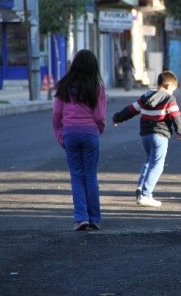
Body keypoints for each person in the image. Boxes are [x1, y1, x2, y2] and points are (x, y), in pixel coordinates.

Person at [112, 71, 181, 207]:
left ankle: (140, 188)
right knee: (157, 165)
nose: (173, 93)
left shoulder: (145, 97)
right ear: (168, 85)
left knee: (149, 160)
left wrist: (117, 118)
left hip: (145, 135)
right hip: (160, 135)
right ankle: (146, 195)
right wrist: (180, 131)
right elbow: (176, 116)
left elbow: (131, 110)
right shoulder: (169, 99)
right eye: (173, 90)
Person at [52, 49, 107, 231]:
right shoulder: (97, 87)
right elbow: (99, 115)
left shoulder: (64, 86)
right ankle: (95, 218)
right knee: (90, 176)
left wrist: (60, 136)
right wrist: (100, 128)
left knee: (76, 176)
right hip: (90, 133)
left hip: (70, 133)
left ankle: (80, 218)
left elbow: (56, 115)